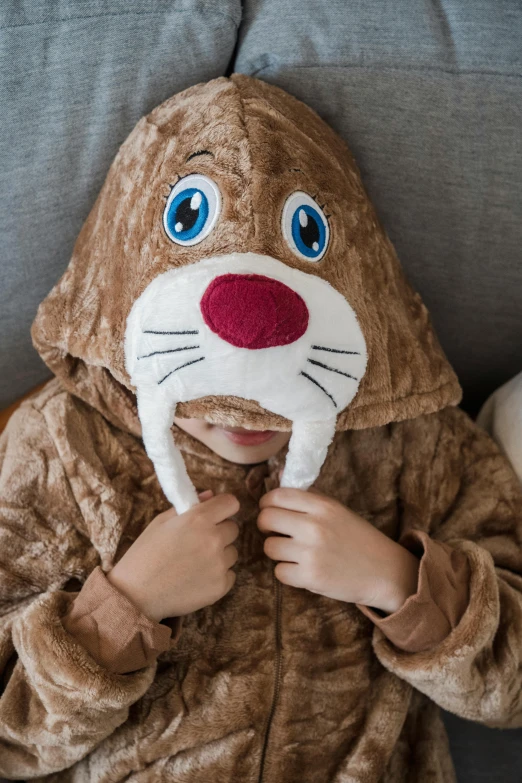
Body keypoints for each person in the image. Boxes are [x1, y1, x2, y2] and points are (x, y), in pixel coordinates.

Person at [1, 74, 521, 782]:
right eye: (211, 400)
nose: (242, 416)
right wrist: (123, 608)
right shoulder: (62, 446)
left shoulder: (415, 448)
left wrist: (401, 581)